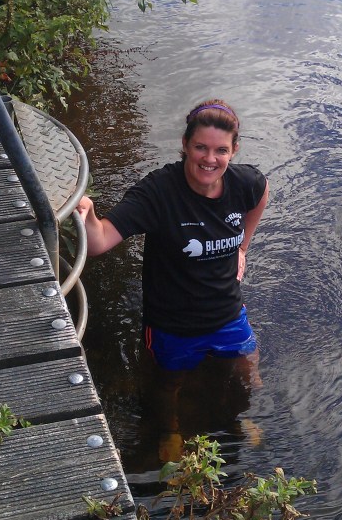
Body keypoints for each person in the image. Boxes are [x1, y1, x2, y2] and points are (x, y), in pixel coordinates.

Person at [76, 99, 269, 374]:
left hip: (228, 314)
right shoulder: (158, 192)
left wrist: (242, 248)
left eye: (221, 150)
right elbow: (99, 241)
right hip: (173, 326)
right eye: (201, 147)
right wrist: (88, 213)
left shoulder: (245, 183)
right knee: (168, 388)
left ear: (234, 150)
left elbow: (262, 192)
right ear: (185, 144)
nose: (210, 159)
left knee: (251, 376)